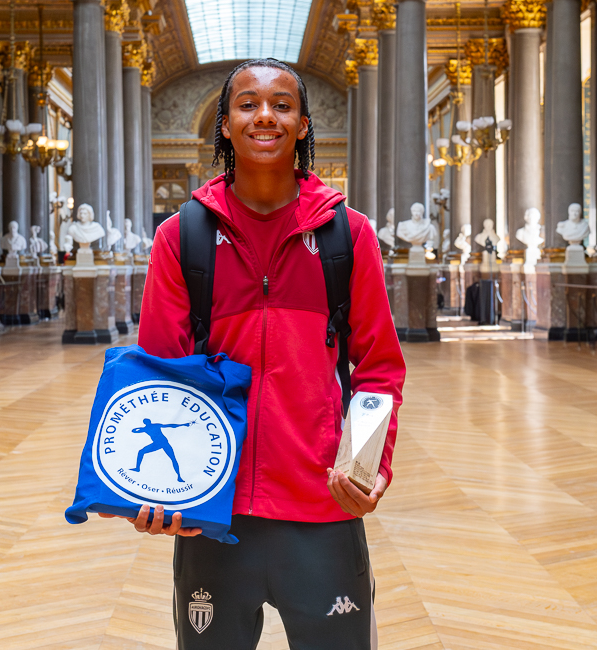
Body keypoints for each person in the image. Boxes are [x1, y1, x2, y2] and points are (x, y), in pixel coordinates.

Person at [104, 58, 406, 649]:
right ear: (225, 123)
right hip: (213, 514)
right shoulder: (182, 237)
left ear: (302, 124)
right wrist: (149, 491)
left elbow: (378, 369)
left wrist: (367, 468)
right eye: (247, 104)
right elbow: (160, 375)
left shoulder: (348, 236)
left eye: (281, 105)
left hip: (321, 506)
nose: (264, 115)